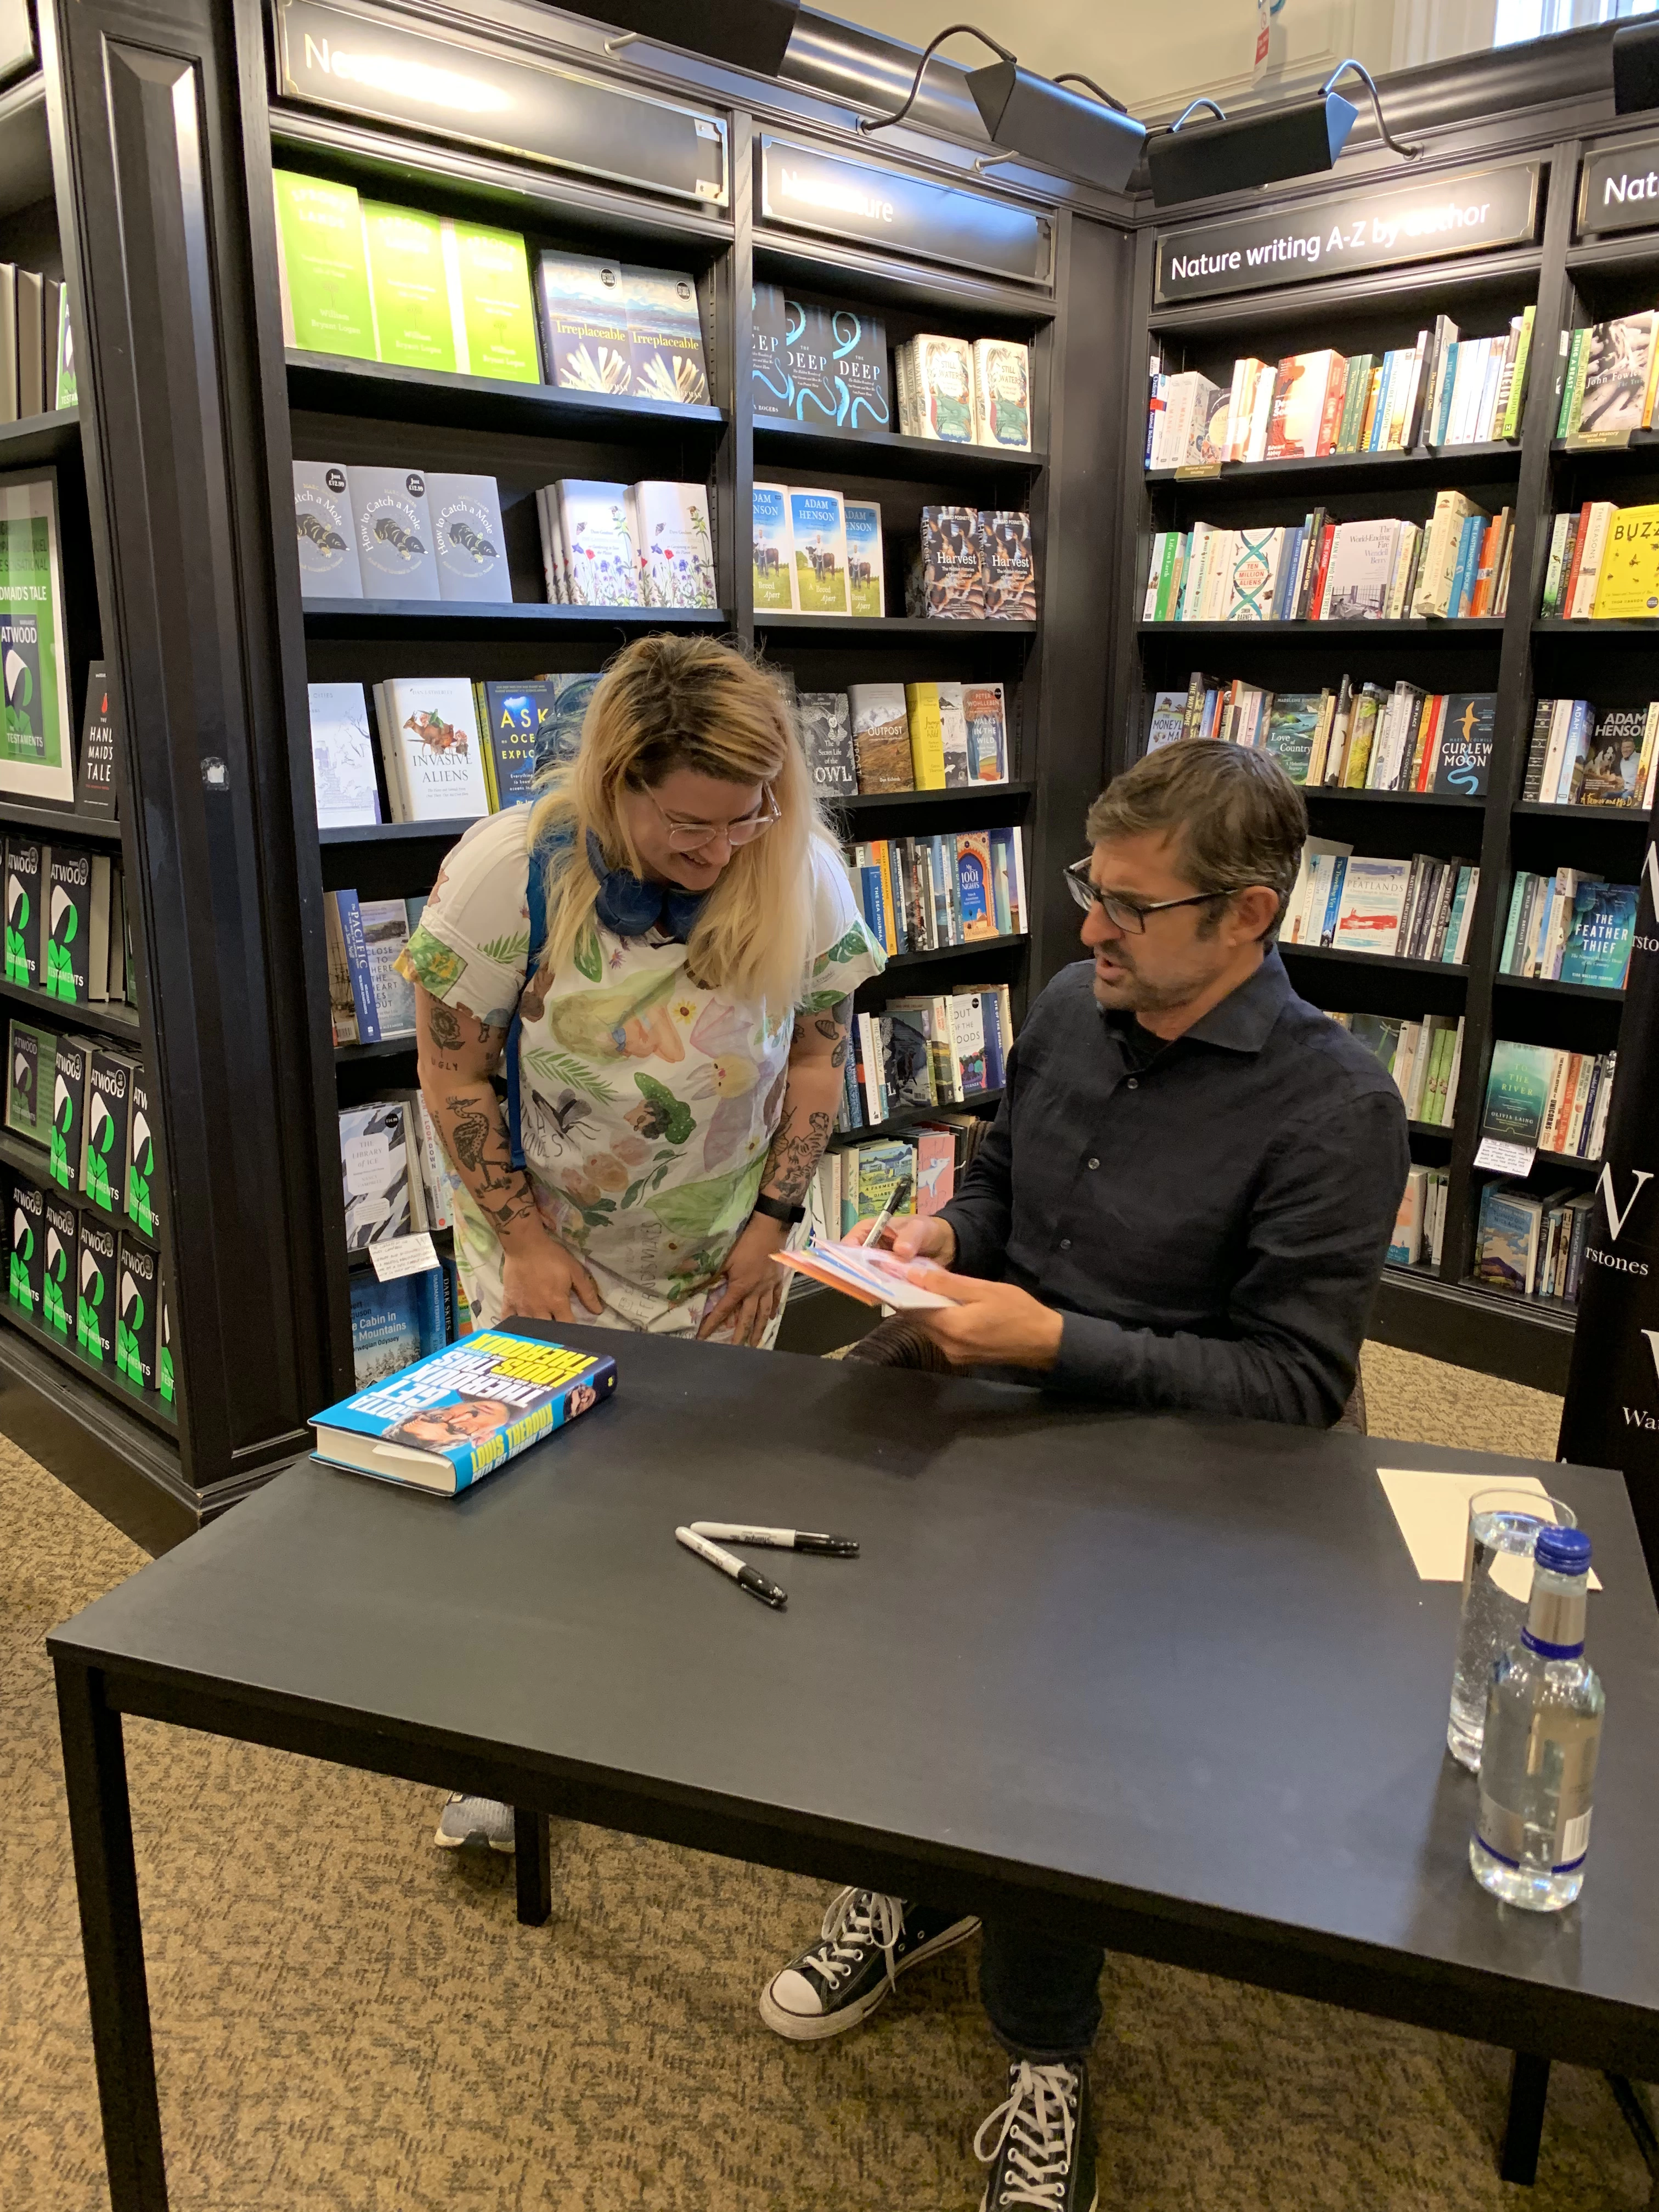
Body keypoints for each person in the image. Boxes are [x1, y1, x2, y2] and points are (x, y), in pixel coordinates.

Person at [757, 741, 1410, 2212]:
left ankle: (1044, 2051)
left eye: (1128, 905)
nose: (1088, 931)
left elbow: (1295, 1389)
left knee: (1029, 1699)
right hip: (981, 1372)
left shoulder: (1336, 1109)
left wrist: (1053, 1342)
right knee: (814, 1573)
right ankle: (915, 1881)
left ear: (1247, 918)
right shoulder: (1073, 1005)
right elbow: (999, 1183)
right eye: (1086, 891)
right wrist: (943, 1244)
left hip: (1170, 1461)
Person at [397, 634, 882, 1850]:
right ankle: (515, 1745)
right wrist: (519, 1234)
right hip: (546, 1243)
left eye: (747, 822)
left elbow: (818, 1054)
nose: (721, 854)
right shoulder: (503, 874)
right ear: (617, 780)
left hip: (724, 1245)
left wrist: (773, 1226)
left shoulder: (801, 869)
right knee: (538, 1502)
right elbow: (452, 1067)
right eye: (688, 826)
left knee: (704, 1480)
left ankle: (678, 1722)